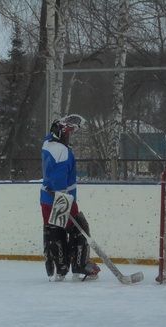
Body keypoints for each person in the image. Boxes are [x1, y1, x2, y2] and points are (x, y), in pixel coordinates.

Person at [40, 114, 100, 281]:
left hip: (46, 197)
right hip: (62, 198)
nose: (70, 136)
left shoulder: (48, 143)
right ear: (61, 132)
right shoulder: (62, 151)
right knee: (79, 228)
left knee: (54, 230)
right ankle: (80, 265)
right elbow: (59, 178)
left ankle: (60, 267)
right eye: (68, 132)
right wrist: (63, 200)